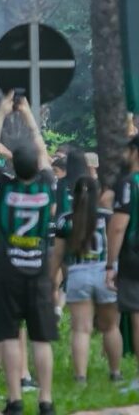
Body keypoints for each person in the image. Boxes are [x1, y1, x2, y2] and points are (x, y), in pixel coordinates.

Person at [0, 95, 58, 415]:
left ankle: (14, 399)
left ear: (11, 165)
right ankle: (46, 400)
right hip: (39, 269)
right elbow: (42, 153)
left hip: (8, 270)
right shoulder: (46, 185)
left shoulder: (3, 187)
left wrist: (1, 114)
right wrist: (29, 117)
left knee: (12, 336)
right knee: (41, 339)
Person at [51, 176, 123, 383]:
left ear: (73, 195)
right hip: (106, 273)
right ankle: (115, 373)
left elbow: (56, 255)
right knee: (110, 327)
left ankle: (80, 377)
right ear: (98, 193)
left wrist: (50, 282)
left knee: (81, 329)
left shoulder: (66, 219)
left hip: (78, 275)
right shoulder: (109, 218)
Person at [107, 135, 139, 394]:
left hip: (134, 258)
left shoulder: (129, 184)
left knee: (138, 317)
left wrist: (110, 264)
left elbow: (118, 227)